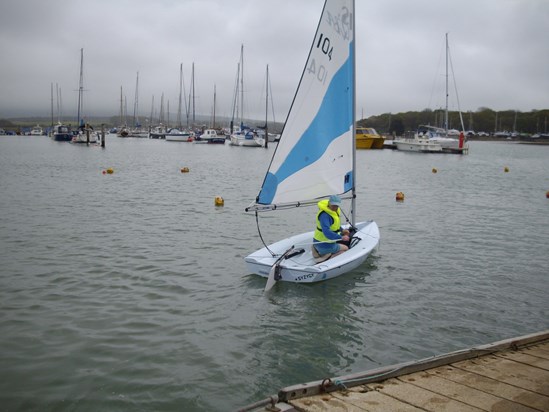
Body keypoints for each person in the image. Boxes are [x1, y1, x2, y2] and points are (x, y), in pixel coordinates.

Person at [312, 195, 350, 261]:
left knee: (337, 243)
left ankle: (317, 251)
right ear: (329, 202)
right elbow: (327, 232)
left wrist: (342, 230)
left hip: (317, 243)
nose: (335, 207)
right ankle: (327, 258)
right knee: (346, 248)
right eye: (333, 205)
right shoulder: (325, 215)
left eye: (337, 205)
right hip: (324, 244)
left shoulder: (333, 211)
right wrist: (341, 237)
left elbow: (334, 226)